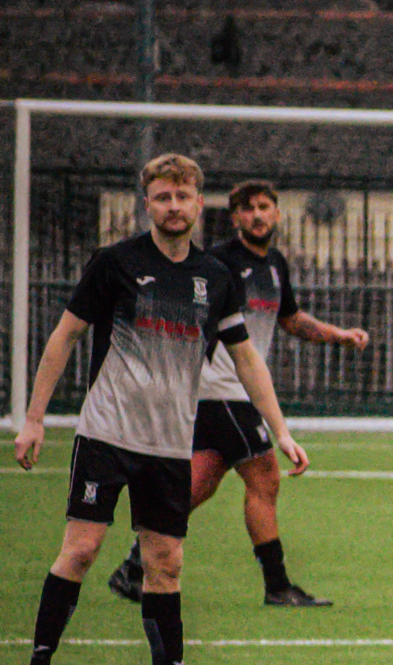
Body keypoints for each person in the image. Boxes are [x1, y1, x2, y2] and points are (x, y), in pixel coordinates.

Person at [11, 153, 308, 665]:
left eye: (183, 196)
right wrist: (33, 418)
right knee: (81, 550)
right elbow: (64, 336)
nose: (174, 207)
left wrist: (282, 431)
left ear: (200, 203)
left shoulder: (215, 278)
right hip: (107, 433)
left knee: (165, 561)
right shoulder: (115, 262)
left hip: (170, 443)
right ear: (146, 203)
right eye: (163, 197)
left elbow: (247, 360)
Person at [104, 180, 369, 609]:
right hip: (223, 388)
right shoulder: (220, 263)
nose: (258, 216)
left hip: (232, 392)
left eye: (265, 207)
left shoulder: (276, 265)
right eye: (248, 209)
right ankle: (277, 585)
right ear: (234, 218)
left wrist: (338, 335)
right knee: (265, 476)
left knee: (200, 481)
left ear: (278, 213)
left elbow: (290, 318)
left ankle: (134, 567)